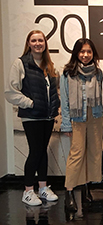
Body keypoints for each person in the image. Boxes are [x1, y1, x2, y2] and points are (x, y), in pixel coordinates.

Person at [5, 30, 60, 206]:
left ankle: (43, 188)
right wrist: (31, 103)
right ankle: (28, 190)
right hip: (32, 117)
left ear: (45, 43)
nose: (38, 43)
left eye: (41, 40)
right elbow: (10, 92)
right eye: (34, 40)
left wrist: (54, 106)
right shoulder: (20, 64)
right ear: (28, 43)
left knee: (42, 152)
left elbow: (54, 91)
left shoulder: (49, 65)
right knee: (35, 152)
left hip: (48, 117)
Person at [60, 39, 103, 211]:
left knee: (93, 153)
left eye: (89, 52)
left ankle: (86, 187)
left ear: (93, 54)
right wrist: (66, 124)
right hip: (77, 118)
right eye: (82, 51)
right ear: (76, 53)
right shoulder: (68, 73)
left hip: (96, 116)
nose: (85, 55)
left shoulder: (98, 73)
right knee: (76, 154)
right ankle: (69, 192)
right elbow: (65, 100)